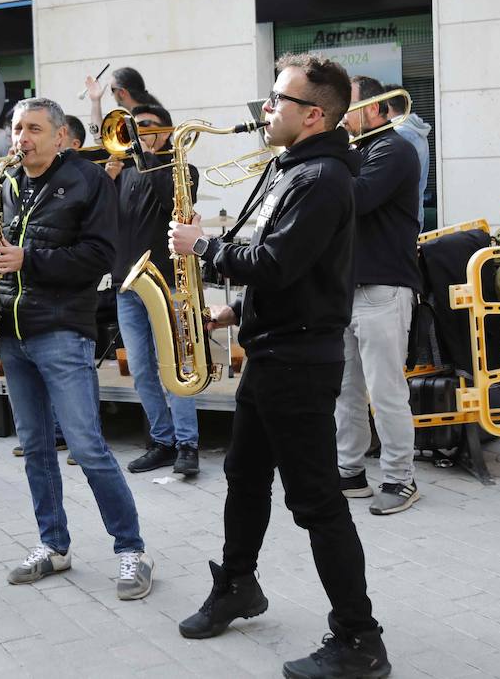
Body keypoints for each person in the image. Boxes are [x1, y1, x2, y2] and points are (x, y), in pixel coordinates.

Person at [167, 54, 392, 678]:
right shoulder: (291, 168)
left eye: (276, 100)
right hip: (270, 349)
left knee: (315, 501)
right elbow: (290, 266)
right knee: (243, 475)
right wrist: (234, 313)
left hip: (298, 360)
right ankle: (238, 584)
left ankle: (360, 640)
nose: (264, 110)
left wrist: (202, 246)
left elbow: (278, 262)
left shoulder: (321, 178)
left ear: (313, 114)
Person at [0, 97, 153, 601]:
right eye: (17, 128)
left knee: (86, 448)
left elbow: (100, 257)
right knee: (35, 448)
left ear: (61, 136)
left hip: (62, 329)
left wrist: (26, 260)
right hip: (13, 332)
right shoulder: (7, 183)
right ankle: (53, 545)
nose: (23, 138)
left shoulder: (88, 179)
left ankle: (132, 550)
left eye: (34, 128)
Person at [335, 76, 422, 517]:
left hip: (384, 288)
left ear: (374, 109)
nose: (338, 115)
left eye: (345, 106)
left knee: (386, 391)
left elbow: (357, 198)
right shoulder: (354, 152)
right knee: (346, 390)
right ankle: (349, 472)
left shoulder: (394, 148)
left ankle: (399, 479)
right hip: (348, 290)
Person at [114, 103, 202, 476]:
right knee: (141, 368)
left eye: (147, 126)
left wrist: (149, 160)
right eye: (134, 126)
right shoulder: (123, 171)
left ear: (166, 132)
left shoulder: (182, 169)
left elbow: (176, 208)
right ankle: (161, 440)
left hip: (165, 282)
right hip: (127, 284)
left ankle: (187, 444)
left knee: (176, 366)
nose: (138, 132)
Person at [386, 94, 431, 228]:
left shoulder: (401, 133)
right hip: (414, 212)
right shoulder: (417, 131)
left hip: (400, 217)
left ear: (387, 107)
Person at [83, 66, 161, 143]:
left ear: (122, 93)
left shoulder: (150, 118)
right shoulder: (146, 114)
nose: (111, 94)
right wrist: (95, 100)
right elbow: (101, 139)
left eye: (112, 90)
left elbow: (101, 140)